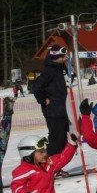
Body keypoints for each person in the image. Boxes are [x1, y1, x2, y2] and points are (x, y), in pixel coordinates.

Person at [32, 44, 70, 178]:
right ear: (56, 57)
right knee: (56, 142)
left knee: (63, 141)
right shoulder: (50, 70)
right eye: (63, 56)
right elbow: (36, 86)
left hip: (61, 110)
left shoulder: (58, 69)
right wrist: (43, 100)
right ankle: (50, 168)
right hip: (54, 112)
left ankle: (56, 167)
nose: (65, 58)